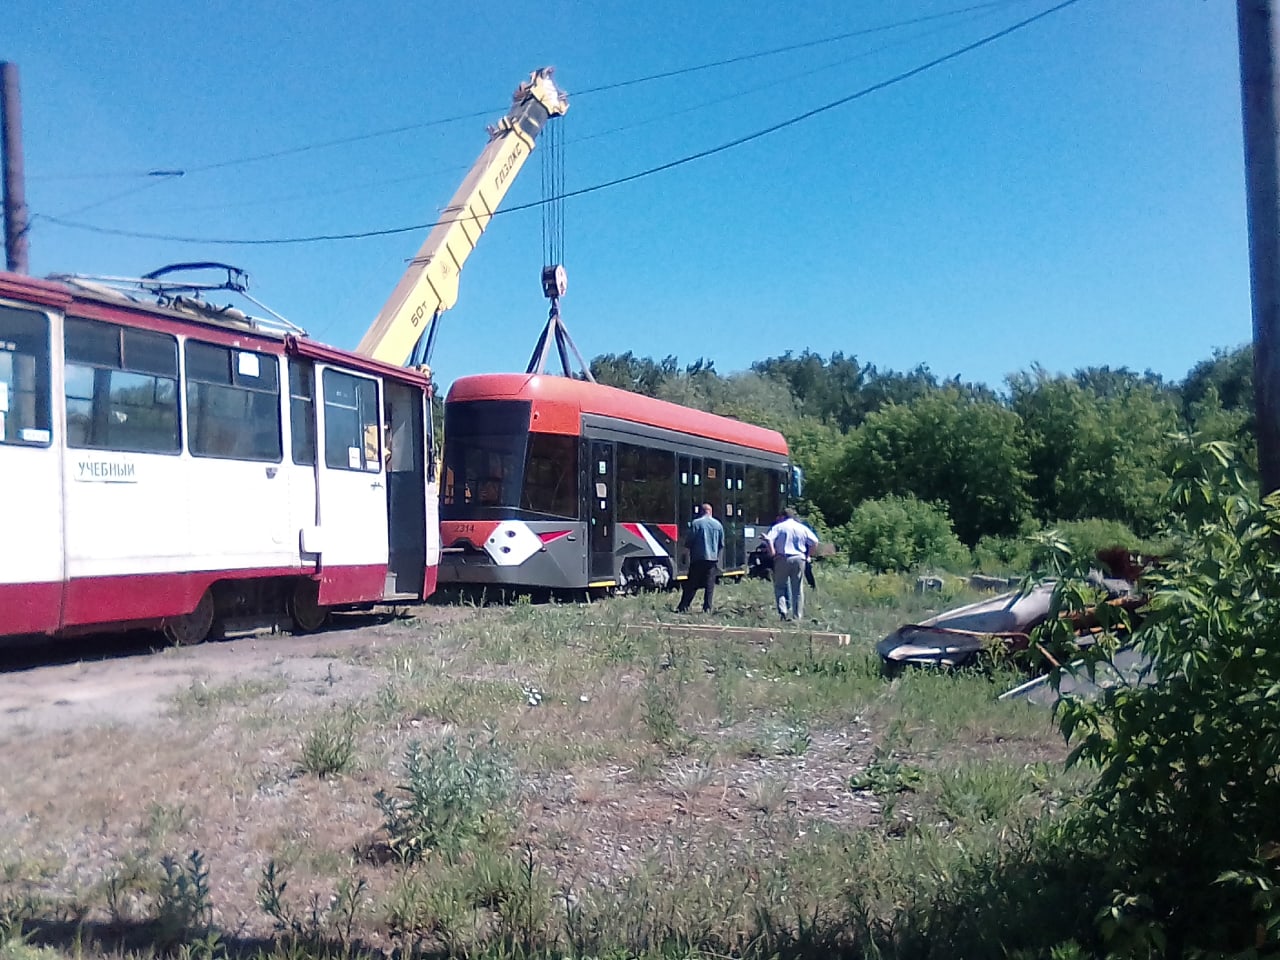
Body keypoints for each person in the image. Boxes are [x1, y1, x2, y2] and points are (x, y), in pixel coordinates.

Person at [764, 507, 820, 621]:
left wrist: (773, 553)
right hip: (799, 558)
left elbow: (769, 540)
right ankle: (797, 616)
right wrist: (808, 555)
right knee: (798, 589)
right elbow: (815, 542)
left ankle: (783, 612)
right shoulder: (801, 528)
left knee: (780, 586)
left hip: (782, 558)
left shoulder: (778, 527)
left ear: (783, 516)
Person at [676, 502, 724, 613]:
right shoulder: (718, 525)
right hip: (712, 560)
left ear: (701, 512)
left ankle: (683, 607)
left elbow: (689, 541)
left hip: (697, 558)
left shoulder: (696, 523)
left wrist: (684, 555)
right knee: (710, 585)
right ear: (711, 512)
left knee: (691, 584)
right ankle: (707, 608)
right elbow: (721, 544)